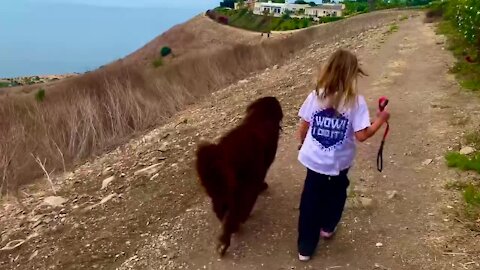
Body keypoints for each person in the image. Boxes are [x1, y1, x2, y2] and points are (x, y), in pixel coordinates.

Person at [296, 49, 390, 262]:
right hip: (339, 163)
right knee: (337, 194)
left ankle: (305, 248)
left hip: (314, 161)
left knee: (310, 201)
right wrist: (381, 119)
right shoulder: (356, 103)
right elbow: (362, 135)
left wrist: (302, 144)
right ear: (352, 75)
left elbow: (304, 125)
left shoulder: (316, 95)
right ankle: (328, 227)